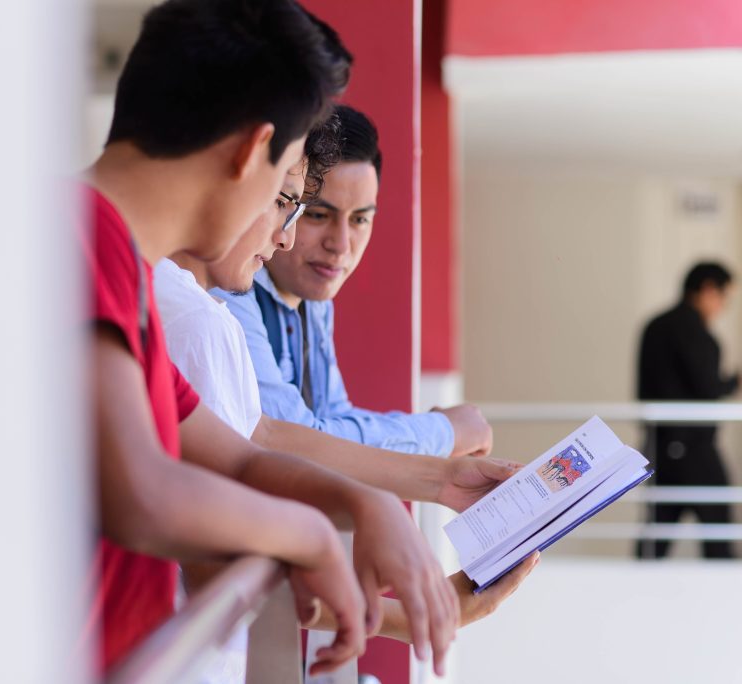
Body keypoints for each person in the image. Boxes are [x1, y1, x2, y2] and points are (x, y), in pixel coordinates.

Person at [84, 0, 470, 677]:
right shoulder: (84, 238)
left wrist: (363, 500)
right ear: (249, 152)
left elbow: (235, 455)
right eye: (289, 190)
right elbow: (144, 493)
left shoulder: (123, 266)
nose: (286, 233)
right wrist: (315, 533)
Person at [153, 114, 532, 677]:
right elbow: (228, 547)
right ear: (238, 169)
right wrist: (406, 610)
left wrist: (437, 478)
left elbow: (262, 437)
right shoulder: (205, 315)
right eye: (291, 203)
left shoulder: (221, 307)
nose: (294, 235)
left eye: (359, 220)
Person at [218, 104, 492, 460]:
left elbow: (334, 420)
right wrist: (442, 433)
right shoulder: (228, 288)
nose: (341, 244)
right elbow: (293, 440)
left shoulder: (313, 300)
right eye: (317, 215)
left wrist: (432, 436)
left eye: (360, 220)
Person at [636, 261, 740, 559]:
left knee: (655, 537)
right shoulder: (696, 332)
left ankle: (635, 595)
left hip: (659, 446)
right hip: (694, 450)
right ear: (708, 289)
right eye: (724, 298)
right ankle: (724, 600)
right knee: (719, 532)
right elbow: (707, 387)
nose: (722, 306)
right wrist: (733, 382)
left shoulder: (654, 326)